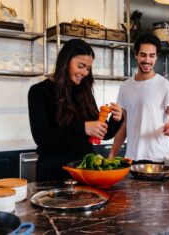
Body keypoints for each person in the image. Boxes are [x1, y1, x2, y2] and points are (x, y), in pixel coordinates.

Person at [28, 39, 124, 181]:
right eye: (81, 66)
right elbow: (42, 138)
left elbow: (101, 134)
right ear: (65, 61)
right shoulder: (39, 92)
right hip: (54, 172)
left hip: (84, 171)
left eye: (88, 68)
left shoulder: (84, 91)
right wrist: (83, 128)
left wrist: (116, 119)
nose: (85, 72)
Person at [109, 33, 169, 162]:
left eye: (152, 56)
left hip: (159, 159)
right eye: (143, 55)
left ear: (157, 57)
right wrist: (112, 155)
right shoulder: (125, 87)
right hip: (131, 158)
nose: (147, 60)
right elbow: (123, 126)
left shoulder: (166, 86)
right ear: (136, 55)